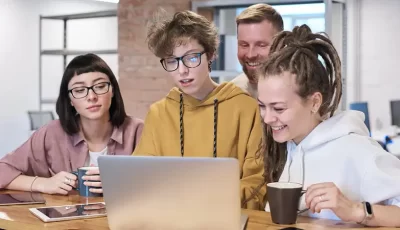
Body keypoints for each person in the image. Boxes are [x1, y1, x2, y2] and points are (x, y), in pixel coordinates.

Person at [258, 24, 400, 226]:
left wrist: (356, 210)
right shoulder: (289, 145)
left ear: (315, 102)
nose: (267, 118)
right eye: (262, 106)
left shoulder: (356, 149)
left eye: (279, 109)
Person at [133, 10, 266, 210]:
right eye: (172, 61)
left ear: (210, 54)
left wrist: (208, 199)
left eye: (191, 58)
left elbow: (257, 182)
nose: (182, 70)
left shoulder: (246, 108)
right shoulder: (158, 113)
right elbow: (139, 176)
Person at [0, 53, 144, 195]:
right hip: (66, 217)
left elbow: (162, 181)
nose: (92, 97)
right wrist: (43, 183)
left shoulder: (138, 131)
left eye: (100, 86)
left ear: (112, 90)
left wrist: (121, 181)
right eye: (79, 90)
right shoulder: (52, 133)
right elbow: (2, 170)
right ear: (70, 100)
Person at [231, 3, 284, 99]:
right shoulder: (232, 94)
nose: (251, 55)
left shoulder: (304, 90)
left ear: (281, 44)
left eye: (261, 45)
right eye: (244, 45)